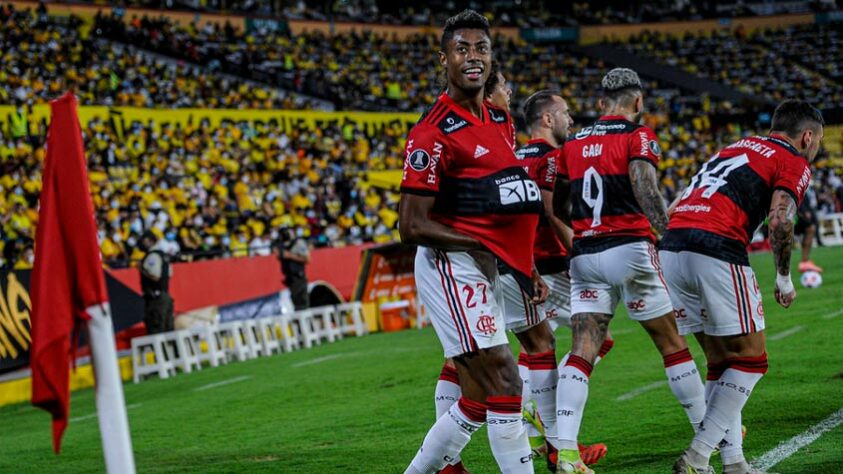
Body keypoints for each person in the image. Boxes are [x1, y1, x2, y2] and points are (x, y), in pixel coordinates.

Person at [400, 10, 544, 474]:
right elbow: (411, 224)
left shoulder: (501, 118)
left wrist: (527, 267)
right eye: (462, 49)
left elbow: (504, 205)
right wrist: (479, 244)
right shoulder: (432, 132)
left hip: (487, 267)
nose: (473, 57)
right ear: (444, 59)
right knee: (505, 376)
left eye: (481, 48)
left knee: (479, 395)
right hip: (449, 264)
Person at [553, 68, 706, 474]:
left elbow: (557, 204)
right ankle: (713, 435)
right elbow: (644, 185)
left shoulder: (573, 140)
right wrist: (667, 233)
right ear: (637, 102)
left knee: (582, 349)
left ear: (602, 103)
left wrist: (583, 230)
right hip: (631, 249)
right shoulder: (639, 135)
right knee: (671, 343)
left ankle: (565, 451)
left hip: (585, 254)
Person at [661, 100, 823, 474]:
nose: (816, 150)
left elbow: (672, 207)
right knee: (752, 359)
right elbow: (781, 220)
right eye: (817, 142)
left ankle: (733, 462)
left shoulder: (734, 147)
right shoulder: (792, 160)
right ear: (807, 136)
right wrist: (783, 278)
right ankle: (699, 454)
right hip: (715, 247)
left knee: (721, 361)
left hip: (672, 247)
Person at [139, 231, 174, 334]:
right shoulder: (164, 255)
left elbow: (155, 276)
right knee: (168, 330)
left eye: (144, 241)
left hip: (156, 299)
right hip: (165, 295)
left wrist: (141, 269)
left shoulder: (152, 256)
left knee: (156, 330)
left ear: (150, 241)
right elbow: (170, 274)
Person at [276, 227, 311, 311]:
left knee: (302, 303)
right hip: (289, 278)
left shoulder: (298, 243)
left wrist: (290, 256)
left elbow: (307, 259)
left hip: (298, 277)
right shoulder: (282, 245)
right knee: (294, 302)